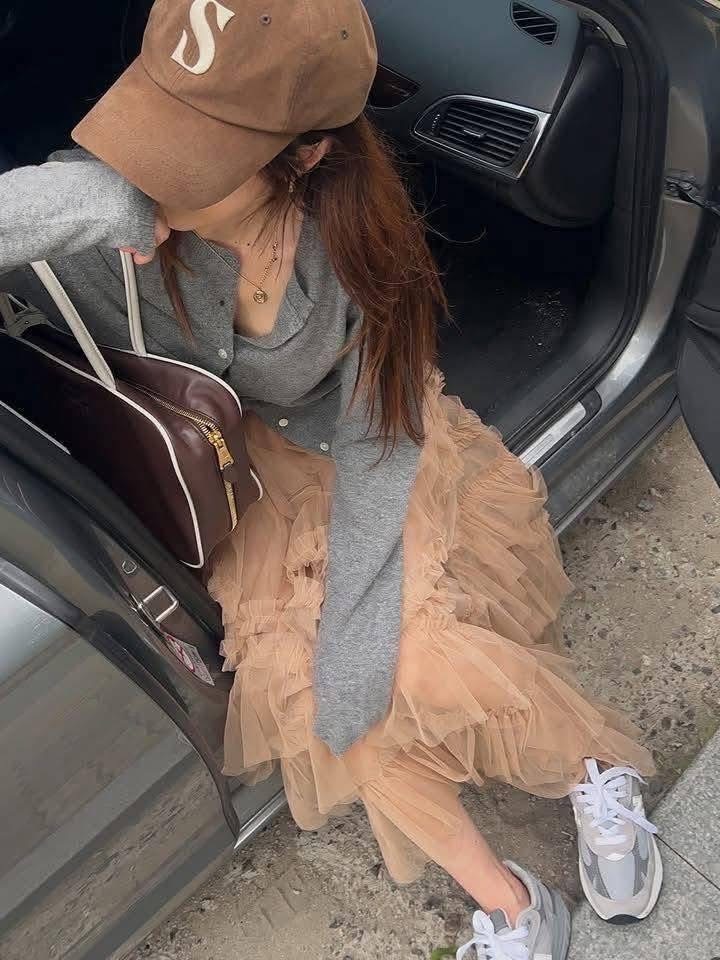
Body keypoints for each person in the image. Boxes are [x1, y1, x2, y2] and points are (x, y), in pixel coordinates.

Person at [0, 0, 662, 955]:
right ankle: (514, 905)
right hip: (242, 470)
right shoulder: (108, 208)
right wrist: (83, 201)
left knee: (400, 667)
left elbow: (378, 441)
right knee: (328, 709)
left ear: (305, 156)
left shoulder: (353, 249)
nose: (149, 173)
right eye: (153, 134)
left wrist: (356, 621)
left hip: (365, 454)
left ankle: (592, 766)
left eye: (192, 157)